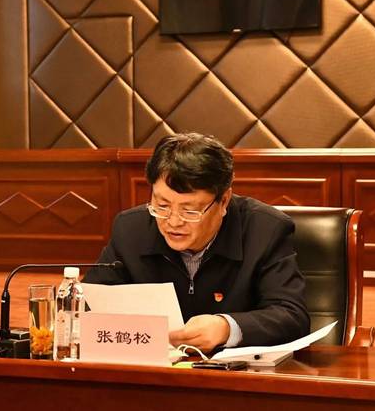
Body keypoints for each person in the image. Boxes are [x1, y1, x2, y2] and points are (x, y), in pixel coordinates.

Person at [84, 133, 310, 352]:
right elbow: (88, 304)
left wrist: (226, 328)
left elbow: (292, 316)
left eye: (189, 211)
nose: (173, 222)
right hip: (155, 367)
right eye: (162, 206)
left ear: (224, 201)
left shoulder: (265, 230)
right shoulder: (130, 229)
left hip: (235, 372)